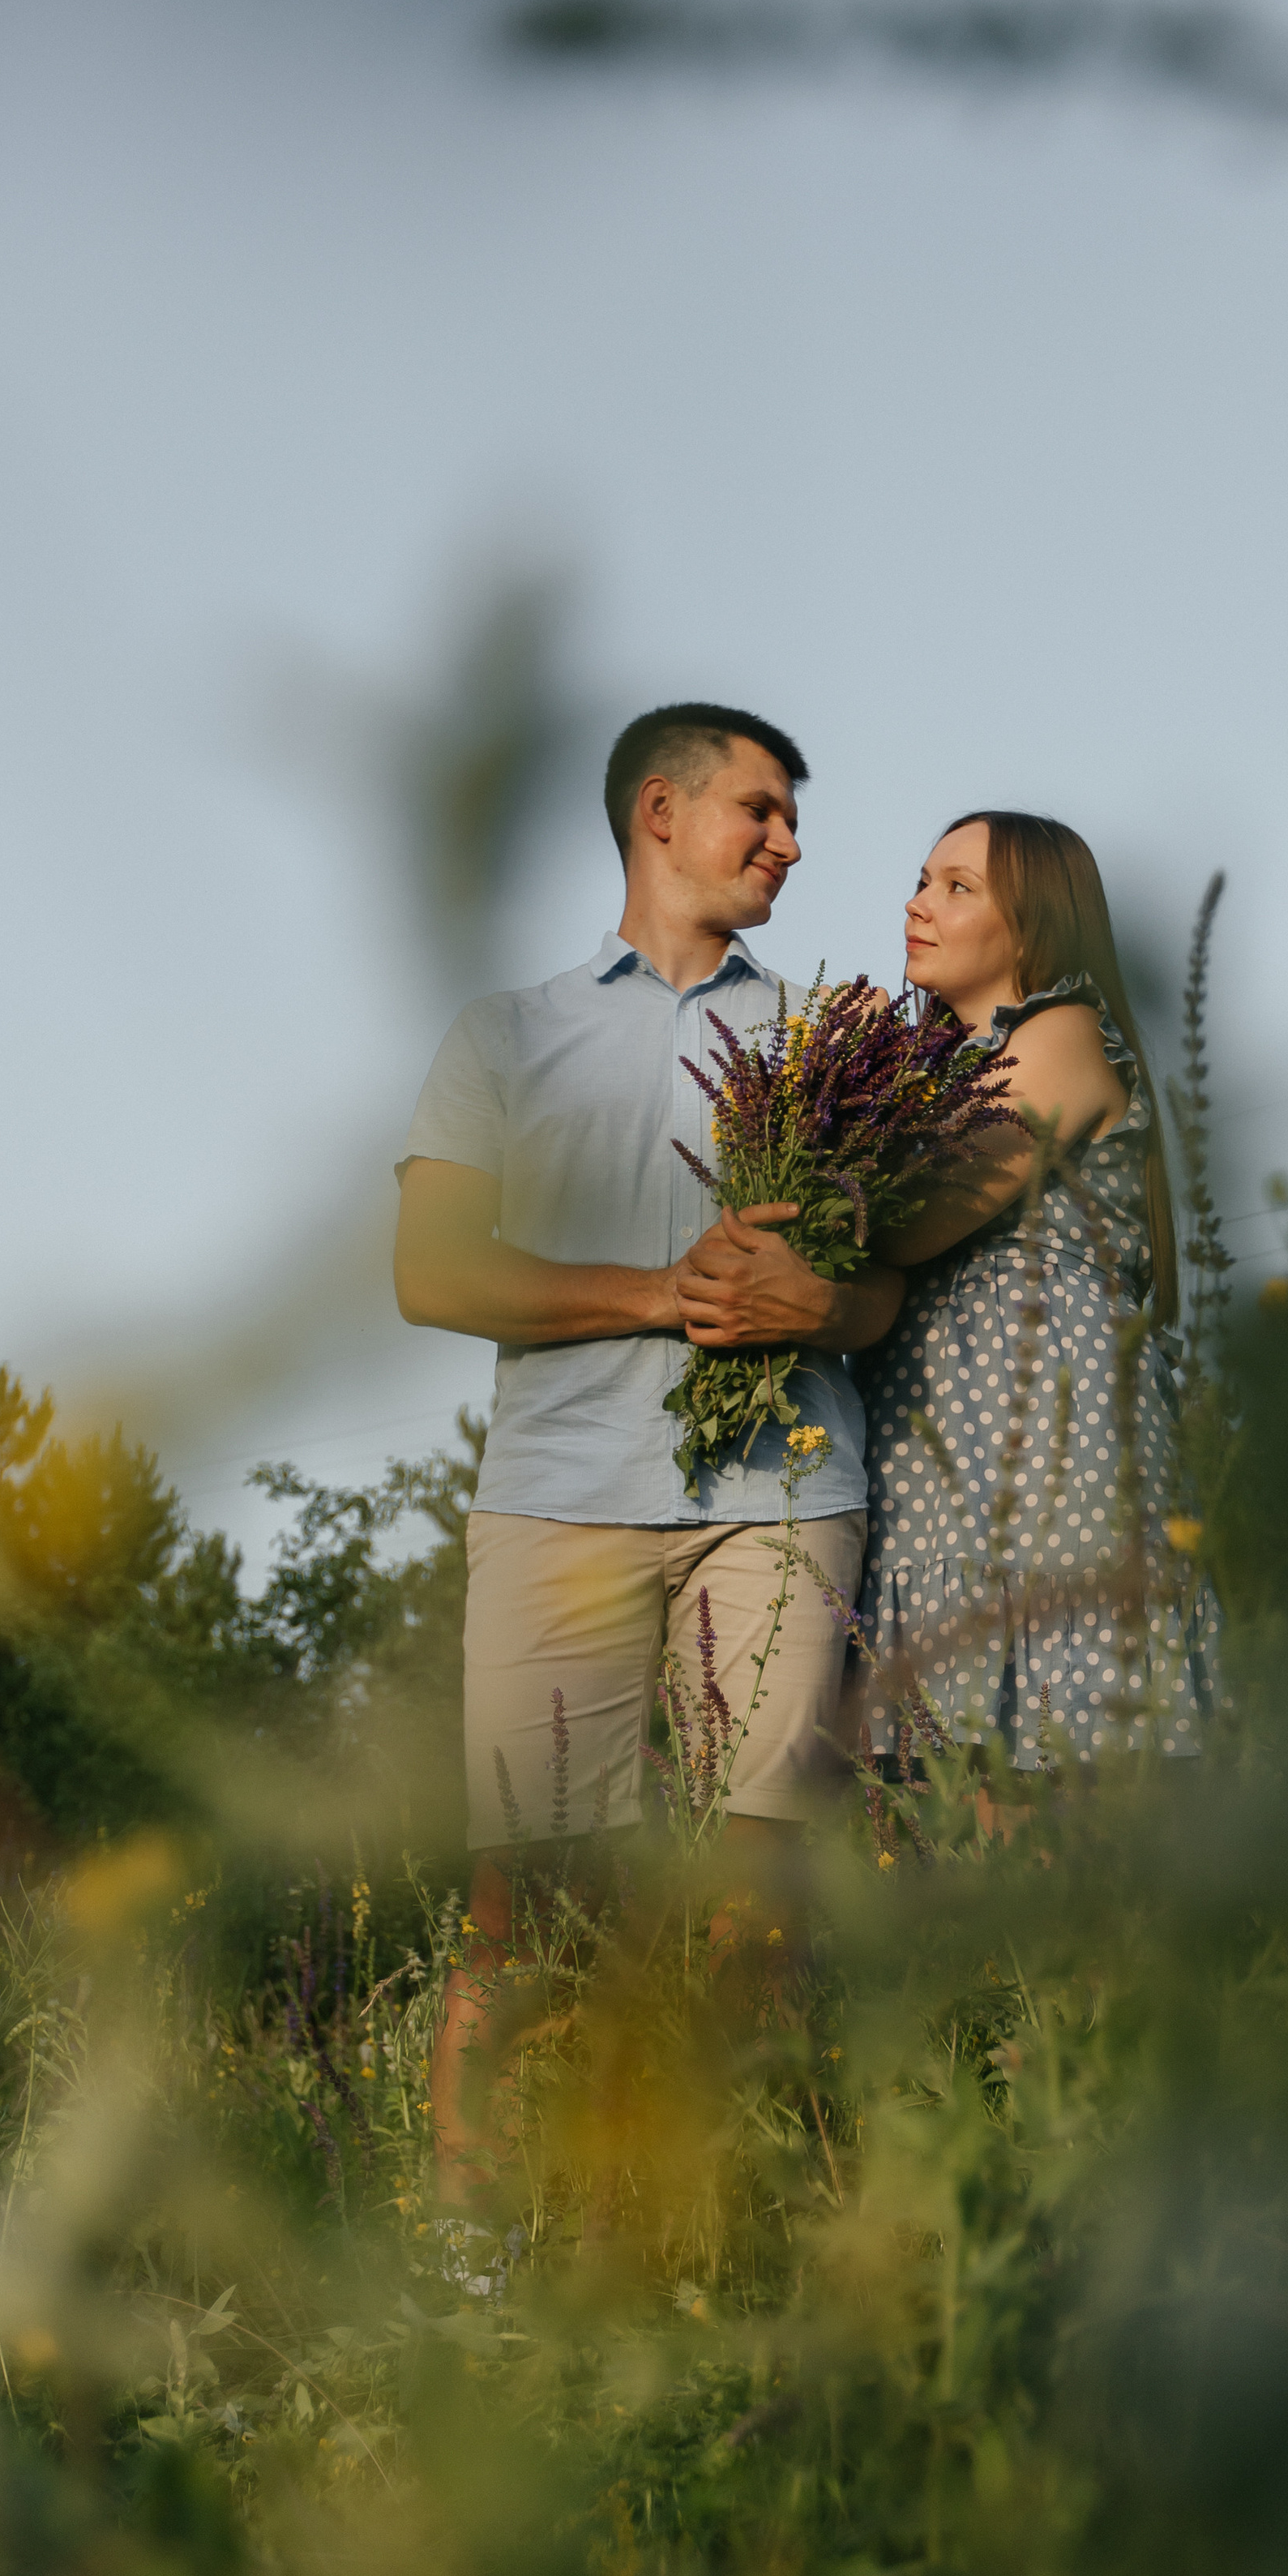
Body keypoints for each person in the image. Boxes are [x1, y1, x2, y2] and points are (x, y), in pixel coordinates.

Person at [392, 703, 905, 2214]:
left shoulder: (829, 1039)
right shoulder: (503, 1035)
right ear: (659, 813)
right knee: (527, 1904)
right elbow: (433, 1270)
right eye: (763, 810)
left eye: (794, 820)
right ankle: (483, 2256)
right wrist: (662, 1296)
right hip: (558, 1508)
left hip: (783, 1501)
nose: (790, 843)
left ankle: (729, 2232)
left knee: (762, 1896)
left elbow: (886, 1291)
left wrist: (821, 1306)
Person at [852, 811, 1217, 1772]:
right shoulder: (934, 1071)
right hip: (942, 1430)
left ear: (1034, 928)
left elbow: (920, 1213)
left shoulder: (1062, 1031)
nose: (918, 905)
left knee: (1058, 1768)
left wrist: (813, 1187)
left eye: (957, 888)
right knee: (952, 1780)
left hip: (1046, 1424)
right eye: (922, 880)